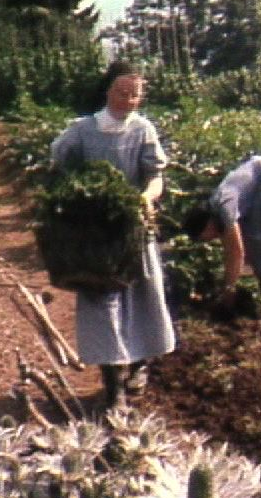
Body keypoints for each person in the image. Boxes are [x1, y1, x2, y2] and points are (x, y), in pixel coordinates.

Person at [50, 61, 176, 409]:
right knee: (102, 302)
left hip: (133, 228)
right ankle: (113, 386)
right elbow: (58, 164)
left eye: (135, 94)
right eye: (122, 92)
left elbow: (155, 175)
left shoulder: (143, 130)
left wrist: (146, 198)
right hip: (95, 237)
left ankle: (139, 365)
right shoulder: (82, 130)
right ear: (108, 91)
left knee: (142, 299)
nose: (129, 100)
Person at [182, 154, 261, 309]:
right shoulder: (216, 206)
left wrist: (228, 290)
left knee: (257, 238)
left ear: (207, 225)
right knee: (255, 236)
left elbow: (236, 252)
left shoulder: (224, 208)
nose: (210, 239)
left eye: (205, 237)